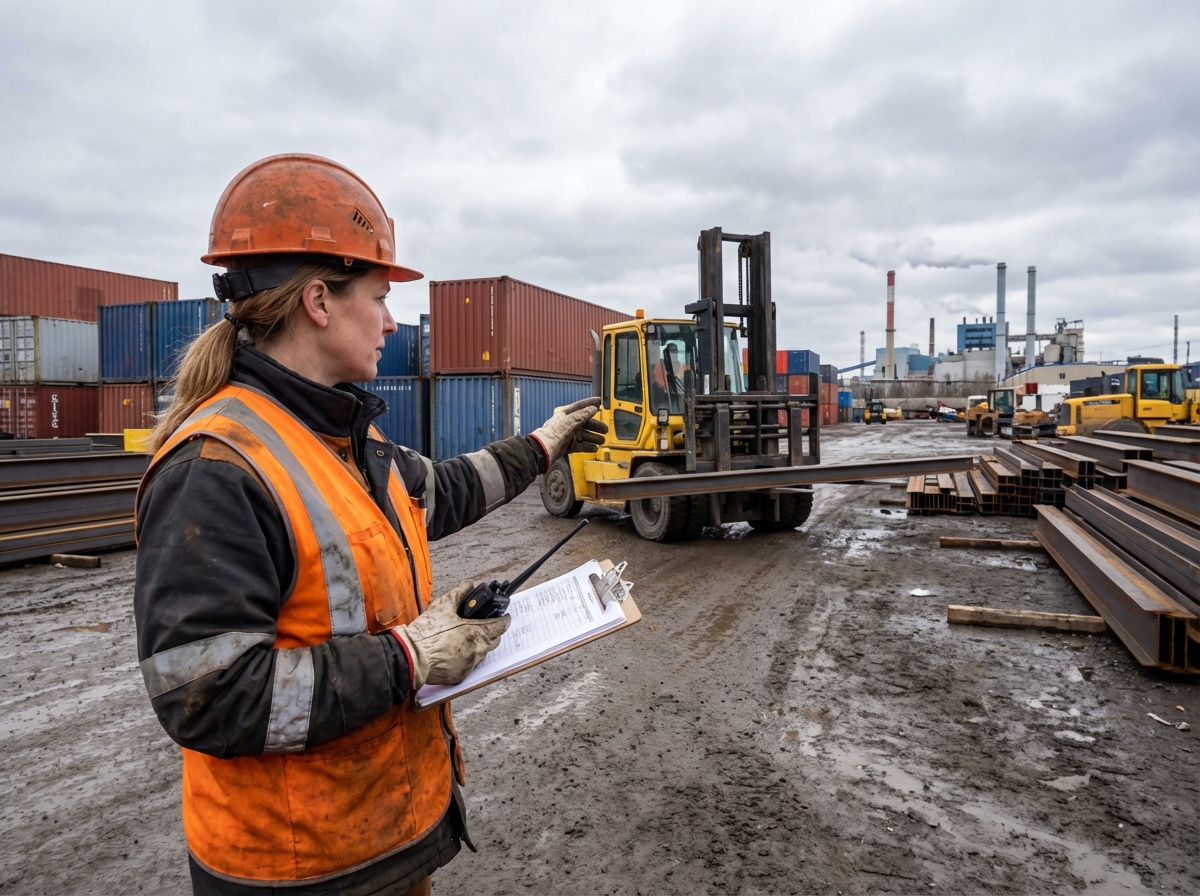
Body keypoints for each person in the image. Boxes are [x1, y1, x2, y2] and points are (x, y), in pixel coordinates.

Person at [133, 154, 606, 895]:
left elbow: (442, 493)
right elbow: (210, 697)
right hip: (299, 868)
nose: (392, 321)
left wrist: (543, 444)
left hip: (381, 838)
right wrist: (410, 660)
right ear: (319, 301)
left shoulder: (343, 435)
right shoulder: (216, 467)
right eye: (380, 298)